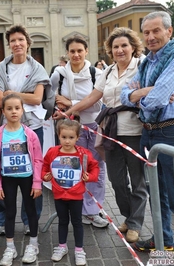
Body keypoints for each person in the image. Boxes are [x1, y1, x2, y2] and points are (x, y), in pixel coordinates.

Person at [120, 11, 174, 265]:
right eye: (146, 32)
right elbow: (123, 95)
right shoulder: (147, 62)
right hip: (149, 131)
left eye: (156, 31)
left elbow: (158, 99)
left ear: (169, 31)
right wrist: (146, 92)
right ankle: (163, 240)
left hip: (172, 131)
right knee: (157, 191)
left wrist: (140, 96)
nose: (151, 37)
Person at [65, 27, 148, 243]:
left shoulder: (142, 66)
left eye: (124, 45)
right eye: (116, 46)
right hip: (111, 131)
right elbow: (94, 95)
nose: (120, 50)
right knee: (117, 181)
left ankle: (135, 223)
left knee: (137, 180)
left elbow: (153, 89)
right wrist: (71, 111)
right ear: (110, 50)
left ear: (133, 47)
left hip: (135, 131)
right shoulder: (109, 71)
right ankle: (129, 217)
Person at [0, 24, 51, 236]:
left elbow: (37, 98)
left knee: (33, 172)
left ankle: (31, 219)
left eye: (21, 40)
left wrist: (12, 93)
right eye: (13, 41)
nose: (17, 44)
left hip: (33, 127)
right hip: (7, 130)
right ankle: (1, 220)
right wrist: (21, 95)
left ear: (27, 42)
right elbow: (0, 100)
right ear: (9, 45)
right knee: (3, 172)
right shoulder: (1, 69)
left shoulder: (37, 68)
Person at [51, 34, 108, 228]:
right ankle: (82, 208)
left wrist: (70, 103)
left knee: (97, 169)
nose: (76, 55)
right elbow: (52, 99)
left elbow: (97, 105)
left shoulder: (97, 74)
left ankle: (93, 207)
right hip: (71, 130)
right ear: (67, 53)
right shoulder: (58, 75)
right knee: (76, 168)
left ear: (86, 52)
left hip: (94, 126)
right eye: (72, 51)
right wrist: (64, 108)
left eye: (79, 51)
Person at [0, 94, 43, 265]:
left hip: (27, 178)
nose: (13, 112)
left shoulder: (30, 134)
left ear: (22, 110)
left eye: (17, 108)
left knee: (31, 210)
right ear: (3, 111)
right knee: (9, 211)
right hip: (7, 179)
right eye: (9, 108)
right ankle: (10, 247)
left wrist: (37, 182)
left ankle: (33, 244)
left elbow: (38, 159)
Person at [42, 114, 100, 266]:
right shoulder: (52, 152)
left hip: (76, 195)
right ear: (58, 136)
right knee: (62, 221)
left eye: (71, 137)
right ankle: (62, 247)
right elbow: (45, 166)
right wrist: (45, 176)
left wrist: (90, 177)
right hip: (59, 193)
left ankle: (79, 250)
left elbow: (95, 167)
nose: (67, 141)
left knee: (77, 222)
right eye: (63, 137)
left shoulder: (83, 154)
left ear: (77, 137)